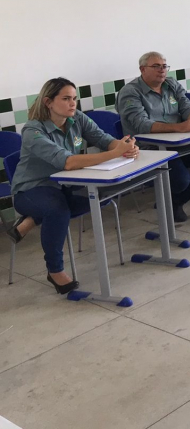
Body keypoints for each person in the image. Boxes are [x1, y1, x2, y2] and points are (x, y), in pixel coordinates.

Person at [7, 78, 139, 294]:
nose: (72, 104)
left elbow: (103, 139)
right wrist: (114, 153)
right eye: (66, 99)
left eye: (74, 98)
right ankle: (55, 271)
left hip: (64, 185)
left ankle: (32, 219)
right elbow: (67, 162)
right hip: (32, 189)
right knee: (57, 210)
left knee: (100, 197)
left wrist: (125, 147)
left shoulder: (76, 117)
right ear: (48, 102)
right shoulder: (33, 130)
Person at [117, 51, 190, 222]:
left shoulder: (171, 84)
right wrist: (179, 127)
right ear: (142, 69)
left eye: (164, 66)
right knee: (181, 180)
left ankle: (174, 202)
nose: (162, 70)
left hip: (178, 142)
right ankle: (169, 202)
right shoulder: (130, 92)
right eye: (156, 66)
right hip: (148, 148)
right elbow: (141, 125)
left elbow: (187, 107)